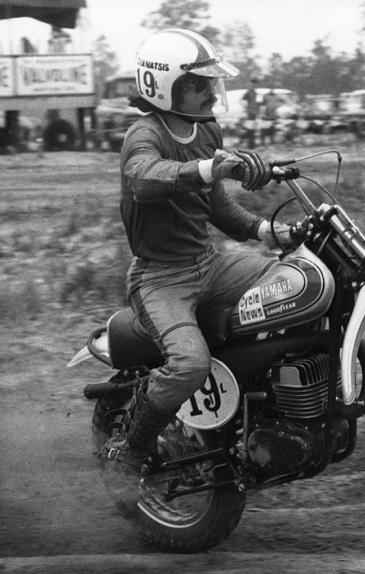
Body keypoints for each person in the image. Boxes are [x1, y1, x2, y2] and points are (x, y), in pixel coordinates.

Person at [106, 28, 293, 474]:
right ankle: (129, 453)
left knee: (292, 283)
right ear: (166, 86)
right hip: (159, 278)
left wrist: (269, 231)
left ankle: (257, 406)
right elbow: (145, 178)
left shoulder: (206, 130)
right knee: (189, 364)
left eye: (211, 82)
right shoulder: (143, 134)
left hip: (209, 264)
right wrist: (210, 167)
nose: (212, 91)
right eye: (199, 83)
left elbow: (217, 207)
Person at [241, 78, 260, 148]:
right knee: (250, 128)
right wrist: (246, 108)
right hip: (250, 113)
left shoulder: (256, 94)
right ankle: (251, 144)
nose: (253, 86)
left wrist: (258, 111)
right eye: (252, 85)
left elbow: (258, 103)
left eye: (254, 85)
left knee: (252, 128)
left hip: (254, 113)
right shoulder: (247, 93)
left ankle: (249, 142)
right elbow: (242, 101)